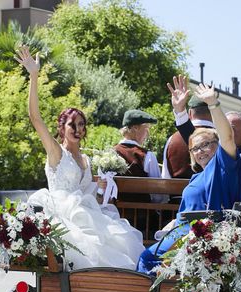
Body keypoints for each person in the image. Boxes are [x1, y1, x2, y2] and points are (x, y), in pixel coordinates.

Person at [14, 46, 144, 270]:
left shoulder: (85, 158)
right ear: (61, 128)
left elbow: (85, 190)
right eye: (71, 125)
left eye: (81, 124)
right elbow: (35, 118)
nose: (77, 129)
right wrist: (34, 76)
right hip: (62, 217)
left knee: (120, 237)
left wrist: (98, 183)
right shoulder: (56, 151)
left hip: (86, 215)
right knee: (90, 247)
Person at [137, 75, 241, 273]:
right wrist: (179, 110)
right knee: (144, 256)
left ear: (217, 146)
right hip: (181, 231)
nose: (201, 151)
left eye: (207, 145)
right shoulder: (197, 177)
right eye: (196, 148)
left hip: (204, 234)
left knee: (148, 260)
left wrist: (213, 104)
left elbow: (227, 137)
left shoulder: (223, 167)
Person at [114, 109, 167, 203]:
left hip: (115, 212)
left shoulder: (110, 153)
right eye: (146, 129)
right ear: (135, 128)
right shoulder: (147, 156)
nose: (148, 134)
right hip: (142, 215)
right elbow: (158, 194)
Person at [161, 96, 215, 179]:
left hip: (176, 191)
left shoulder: (172, 139)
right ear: (213, 112)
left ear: (189, 113)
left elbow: (165, 178)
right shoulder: (222, 138)